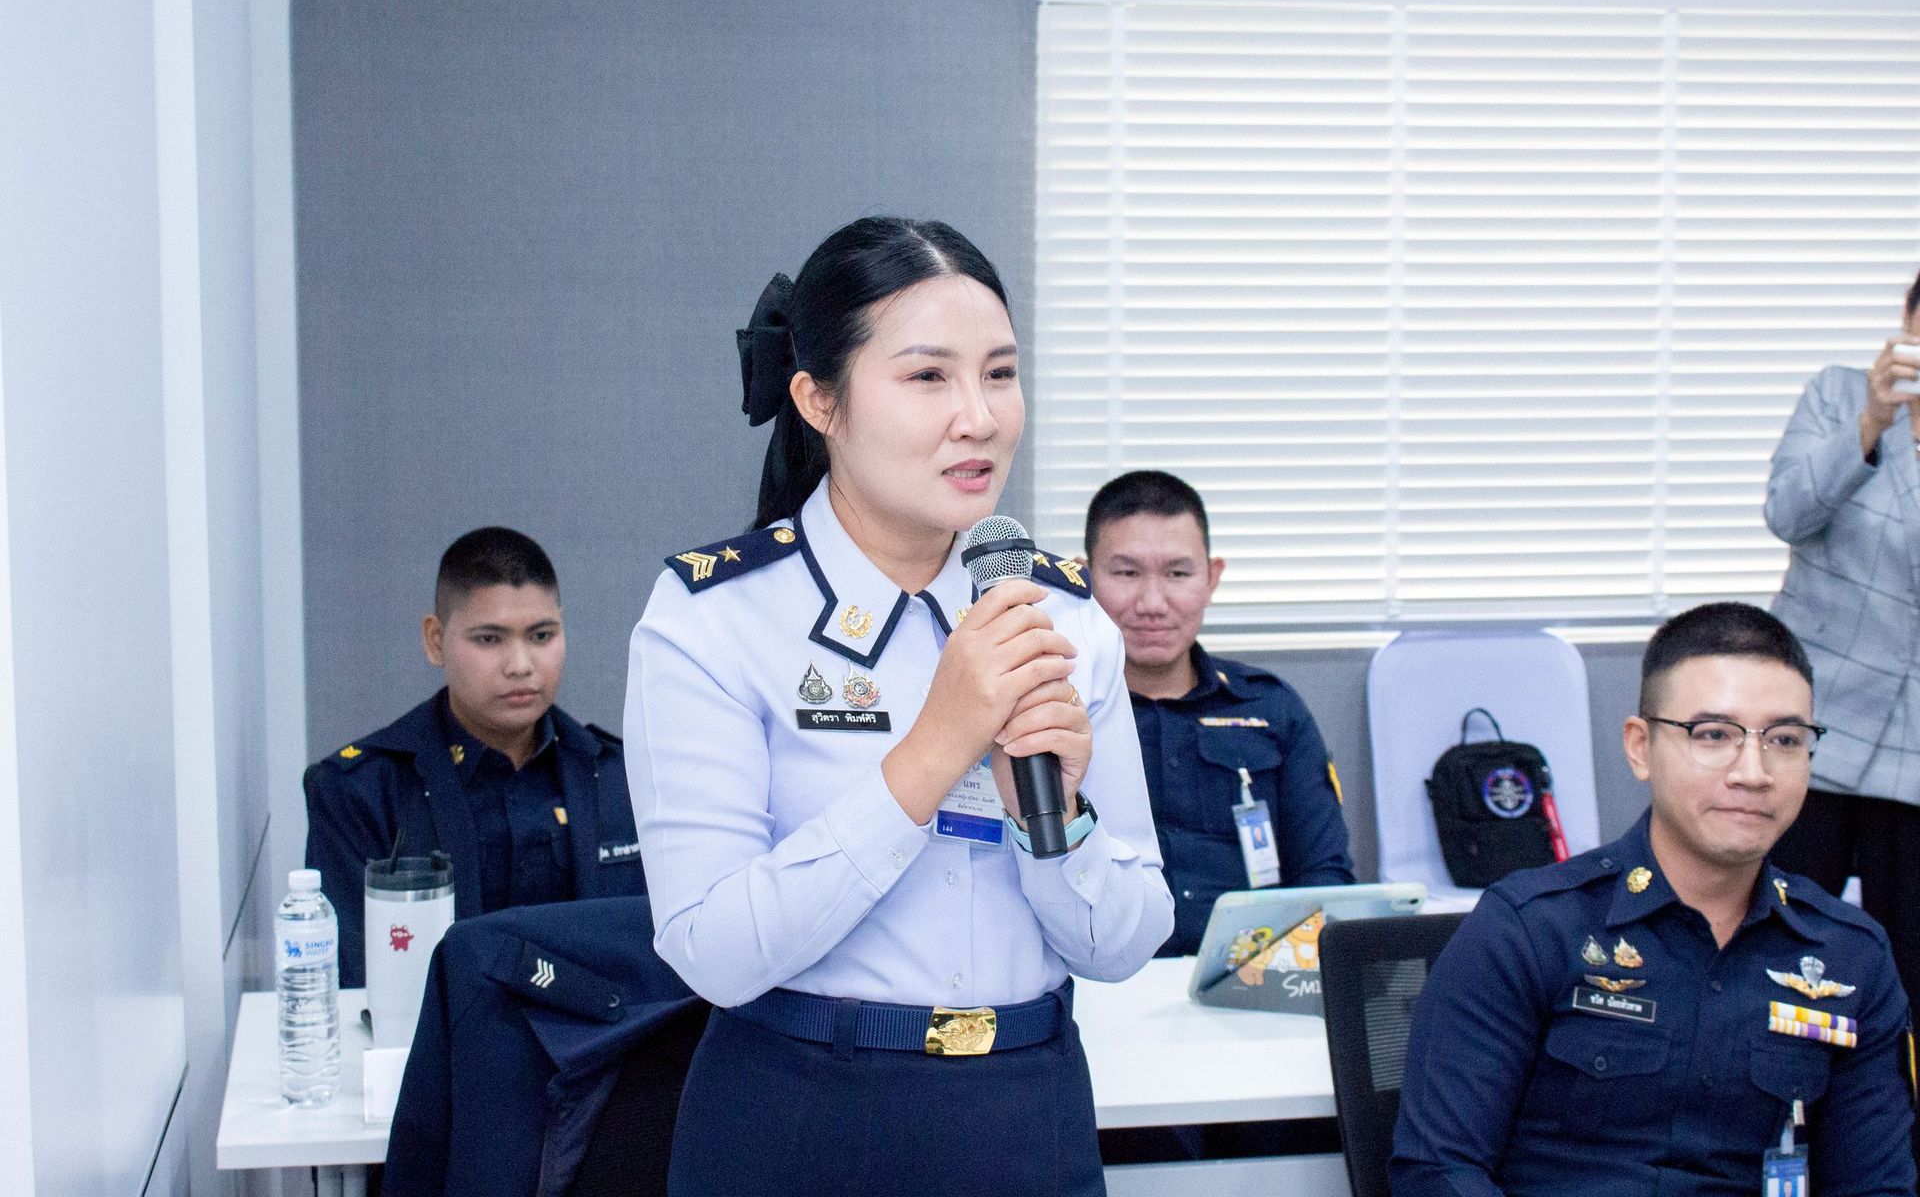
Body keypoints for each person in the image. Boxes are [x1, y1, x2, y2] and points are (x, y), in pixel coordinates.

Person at [627, 217, 1172, 1196]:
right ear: (818, 400)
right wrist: (933, 749)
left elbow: (1125, 941)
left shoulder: (1059, 615)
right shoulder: (717, 616)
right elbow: (712, 952)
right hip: (800, 1113)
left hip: (1027, 1108)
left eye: (1000, 374)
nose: (979, 417)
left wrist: (1057, 818)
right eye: (928, 376)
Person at [1391, 602, 1917, 1195]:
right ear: (1640, 747)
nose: (1754, 772)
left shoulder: (1850, 957)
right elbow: (1438, 1171)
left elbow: (1876, 1186)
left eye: (1786, 740)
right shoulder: (1531, 929)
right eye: (1713, 735)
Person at [304, 526, 644, 987]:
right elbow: (352, 984)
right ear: (435, 640)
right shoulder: (363, 791)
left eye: (541, 635)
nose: (520, 665)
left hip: (597, 1030)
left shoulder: (621, 779)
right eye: (489, 639)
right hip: (431, 1032)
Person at [1083, 470, 1353, 956]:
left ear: (1212, 578)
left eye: (1178, 574)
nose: (1152, 603)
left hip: (1250, 972)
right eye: (1126, 573)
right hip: (1097, 976)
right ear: (1084, 576)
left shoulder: (1271, 710)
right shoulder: (1056, 710)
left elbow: (1325, 878)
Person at [1766, 269, 1920, 1076]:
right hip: (1816, 727)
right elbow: (1787, 512)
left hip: (1913, 756)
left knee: (1907, 974)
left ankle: (1892, 1131)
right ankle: (1771, 1115)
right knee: (1785, 952)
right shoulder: (1836, 396)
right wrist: (1871, 424)